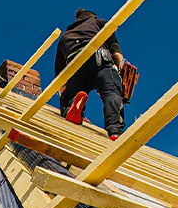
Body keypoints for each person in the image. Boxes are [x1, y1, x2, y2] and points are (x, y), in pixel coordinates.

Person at [54, 8, 128, 139]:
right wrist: (119, 72)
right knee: (111, 92)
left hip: (75, 65)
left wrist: (65, 94)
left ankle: (71, 108)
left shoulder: (65, 36)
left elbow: (60, 79)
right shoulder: (99, 22)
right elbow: (116, 52)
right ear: (93, 16)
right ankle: (115, 130)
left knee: (70, 95)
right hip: (99, 59)